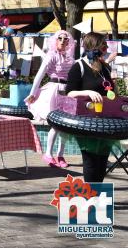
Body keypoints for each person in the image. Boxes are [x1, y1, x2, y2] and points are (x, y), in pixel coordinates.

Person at [65, 32, 116, 182]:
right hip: (86, 122)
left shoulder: (104, 67)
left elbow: (109, 90)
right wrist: (88, 92)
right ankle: (91, 197)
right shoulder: (78, 66)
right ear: (94, 46)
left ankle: (97, 197)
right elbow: (69, 93)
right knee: (91, 161)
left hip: (105, 121)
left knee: (101, 161)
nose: (106, 48)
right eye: (103, 45)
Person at [25, 30, 75, 168]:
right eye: (60, 38)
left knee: (66, 125)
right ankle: (48, 154)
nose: (63, 41)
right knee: (56, 124)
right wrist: (32, 93)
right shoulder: (51, 55)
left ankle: (60, 155)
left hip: (67, 91)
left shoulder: (70, 58)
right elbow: (39, 76)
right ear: (55, 40)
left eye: (66, 39)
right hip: (54, 90)